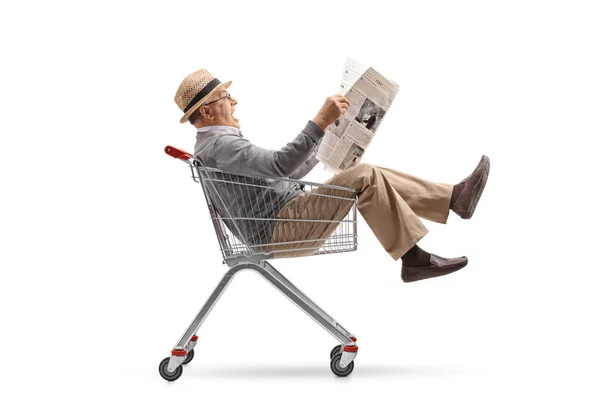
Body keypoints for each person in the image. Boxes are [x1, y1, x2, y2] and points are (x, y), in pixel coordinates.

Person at [174, 69, 490, 283]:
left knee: (367, 175)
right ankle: (423, 243)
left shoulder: (217, 144)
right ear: (206, 111)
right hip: (280, 228)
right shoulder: (220, 144)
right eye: (225, 97)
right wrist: (320, 121)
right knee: (364, 175)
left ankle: (447, 209)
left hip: (286, 216)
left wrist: (329, 142)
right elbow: (280, 165)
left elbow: (283, 173)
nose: (234, 100)